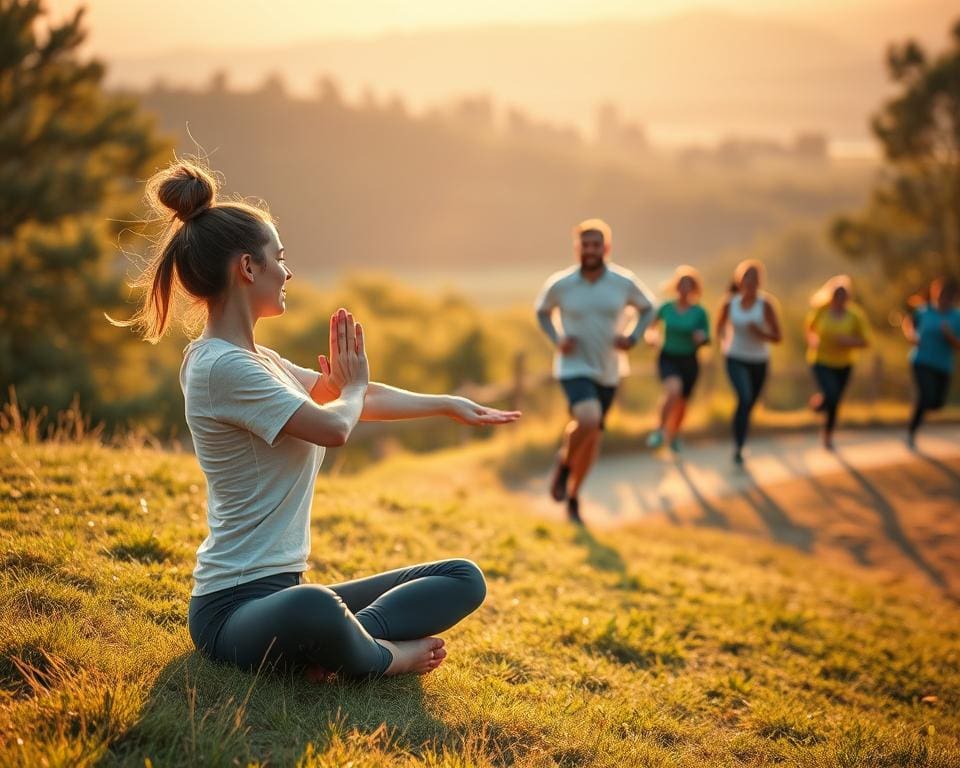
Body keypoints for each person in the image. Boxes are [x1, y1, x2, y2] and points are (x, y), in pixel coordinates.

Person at [112, 161, 520, 680]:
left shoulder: (262, 361)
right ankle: (380, 657)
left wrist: (445, 403)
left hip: (282, 593)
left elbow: (351, 395)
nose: (288, 272)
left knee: (463, 578)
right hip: (230, 610)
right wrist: (347, 391)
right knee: (316, 608)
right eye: (279, 259)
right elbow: (336, 423)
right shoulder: (220, 367)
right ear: (247, 268)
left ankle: (336, 648)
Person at [535, 218, 655, 523]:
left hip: (610, 369)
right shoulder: (561, 284)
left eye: (596, 244)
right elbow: (542, 311)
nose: (590, 250)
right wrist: (557, 339)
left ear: (606, 247)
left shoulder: (622, 282)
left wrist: (633, 337)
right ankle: (563, 466)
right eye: (585, 245)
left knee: (592, 437)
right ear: (577, 248)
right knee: (588, 418)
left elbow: (649, 308)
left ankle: (574, 496)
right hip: (573, 365)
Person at [715, 259, 782, 465]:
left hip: (759, 360)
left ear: (760, 281)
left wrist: (760, 333)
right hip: (735, 357)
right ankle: (739, 446)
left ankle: (739, 436)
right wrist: (725, 344)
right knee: (744, 397)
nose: (750, 281)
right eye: (747, 276)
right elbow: (719, 327)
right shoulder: (730, 303)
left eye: (755, 277)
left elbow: (778, 337)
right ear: (739, 280)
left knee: (749, 403)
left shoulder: (766, 304)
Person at [645, 266, 710, 453]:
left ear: (694, 288)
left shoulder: (699, 313)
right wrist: (652, 337)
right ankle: (660, 429)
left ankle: (674, 433)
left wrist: (700, 337)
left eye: (688, 285)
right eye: (681, 284)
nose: (684, 288)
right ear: (676, 286)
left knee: (682, 402)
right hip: (668, 356)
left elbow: (706, 337)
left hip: (689, 360)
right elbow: (651, 327)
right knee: (673, 389)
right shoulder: (666, 307)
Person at [805, 275, 870, 450]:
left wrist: (848, 342)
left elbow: (865, 341)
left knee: (835, 401)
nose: (839, 299)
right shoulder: (821, 310)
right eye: (836, 295)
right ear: (830, 295)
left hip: (844, 363)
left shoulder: (855, 315)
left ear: (848, 297)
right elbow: (810, 329)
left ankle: (827, 434)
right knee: (832, 393)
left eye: (843, 295)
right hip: (821, 360)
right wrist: (813, 340)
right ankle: (821, 406)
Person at [903, 276, 960, 448]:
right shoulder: (924, 311)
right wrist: (912, 336)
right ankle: (911, 431)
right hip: (921, 360)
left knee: (937, 403)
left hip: (943, 365)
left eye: (948, 297)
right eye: (941, 295)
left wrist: (950, 336)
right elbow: (909, 323)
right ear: (935, 294)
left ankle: (915, 422)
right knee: (926, 395)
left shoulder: (957, 317)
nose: (944, 300)